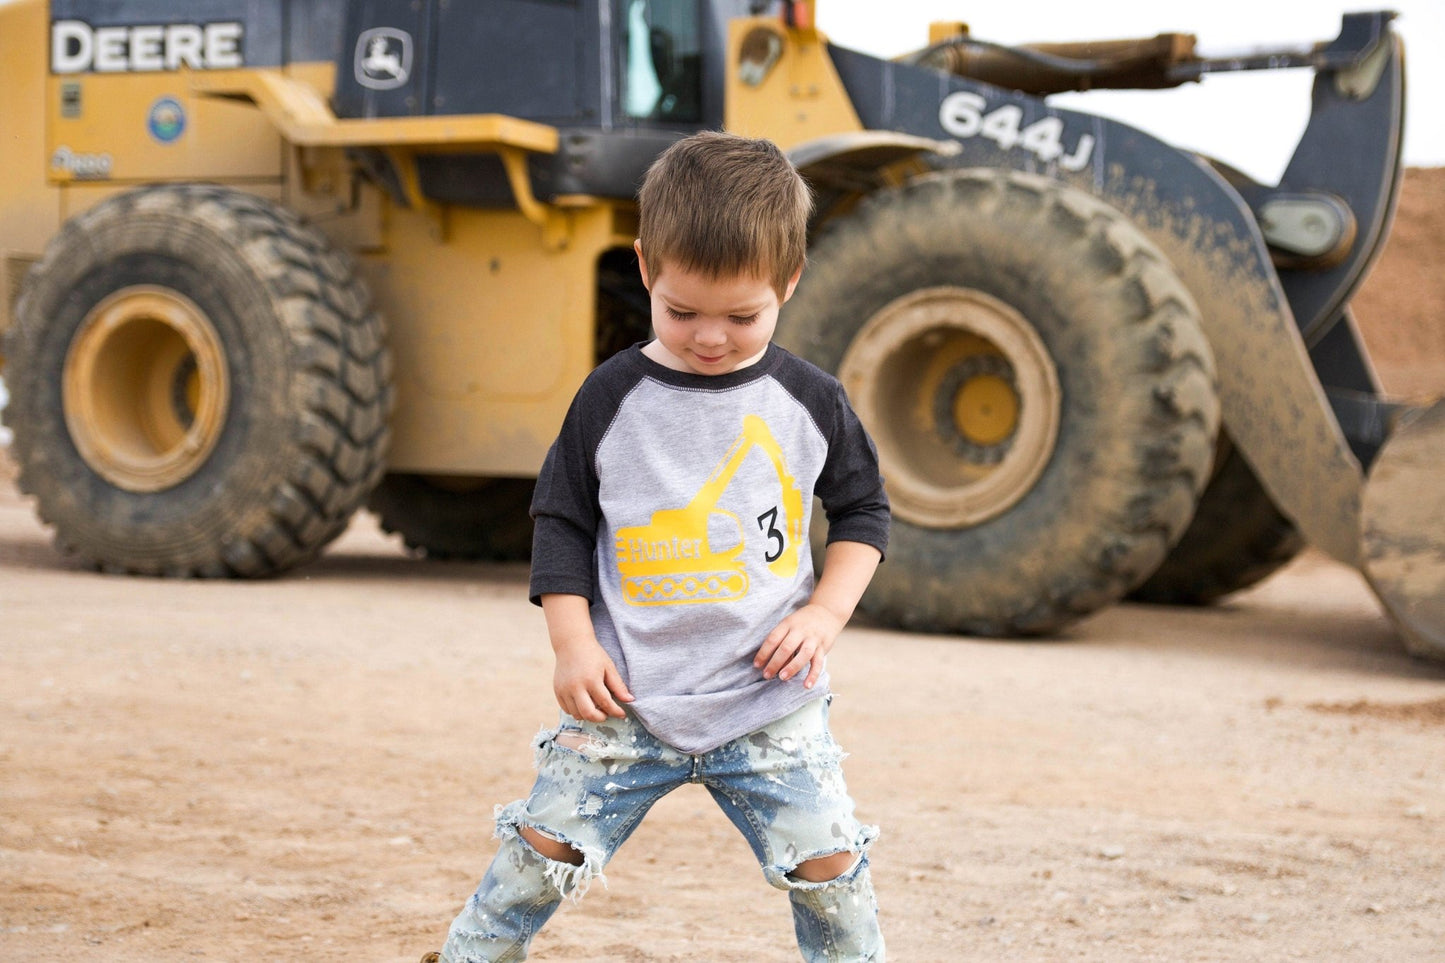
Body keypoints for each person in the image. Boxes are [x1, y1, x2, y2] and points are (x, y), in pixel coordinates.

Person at [426, 131, 890, 962]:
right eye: (681, 312)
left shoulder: (809, 400)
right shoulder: (610, 397)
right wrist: (572, 645)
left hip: (768, 703)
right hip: (626, 700)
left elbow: (862, 513)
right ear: (644, 268)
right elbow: (561, 521)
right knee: (538, 860)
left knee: (833, 874)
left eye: (742, 316)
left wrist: (823, 614)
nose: (710, 337)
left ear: (790, 279)